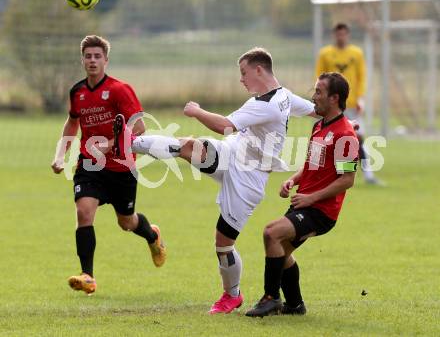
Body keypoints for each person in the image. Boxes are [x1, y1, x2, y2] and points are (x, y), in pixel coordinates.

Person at [112, 47, 316, 313]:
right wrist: (345, 123)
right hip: (232, 153)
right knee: (188, 146)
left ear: (258, 70)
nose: (241, 79)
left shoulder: (265, 105)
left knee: (223, 243)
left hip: (249, 178)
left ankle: (232, 295)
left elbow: (225, 125)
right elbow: (315, 110)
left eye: (243, 73)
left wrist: (197, 111)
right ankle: (130, 143)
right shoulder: (284, 96)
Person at [51, 35, 166, 295]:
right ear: (82, 60)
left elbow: (139, 126)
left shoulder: (119, 90)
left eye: (97, 56)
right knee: (83, 212)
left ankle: (152, 236)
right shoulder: (77, 92)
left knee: (126, 222)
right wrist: (60, 154)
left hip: (121, 167)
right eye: (88, 56)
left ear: (106, 60)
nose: (92, 60)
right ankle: (88, 276)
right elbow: (72, 123)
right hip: (89, 165)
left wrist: (111, 143)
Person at [245, 72, 359, 317]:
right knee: (282, 250)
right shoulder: (319, 125)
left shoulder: (346, 135)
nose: (314, 96)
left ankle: (271, 297)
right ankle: (295, 305)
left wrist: (312, 198)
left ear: (334, 98)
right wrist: (293, 180)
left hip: (321, 211)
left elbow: (348, 179)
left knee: (271, 233)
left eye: (319, 92)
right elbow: (311, 164)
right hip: (304, 203)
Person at [315, 23, 381, 185]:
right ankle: (321, 174)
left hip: (351, 104)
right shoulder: (326, 54)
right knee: (325, 139)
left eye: (344, 34)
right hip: (332, 105)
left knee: (356, 138)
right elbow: (319, 78)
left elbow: (361, 77)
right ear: (334, 35)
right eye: (338, 34)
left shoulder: (356, 53)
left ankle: (368, 174)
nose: (341, 37)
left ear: (348, 35)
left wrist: (360, 99)